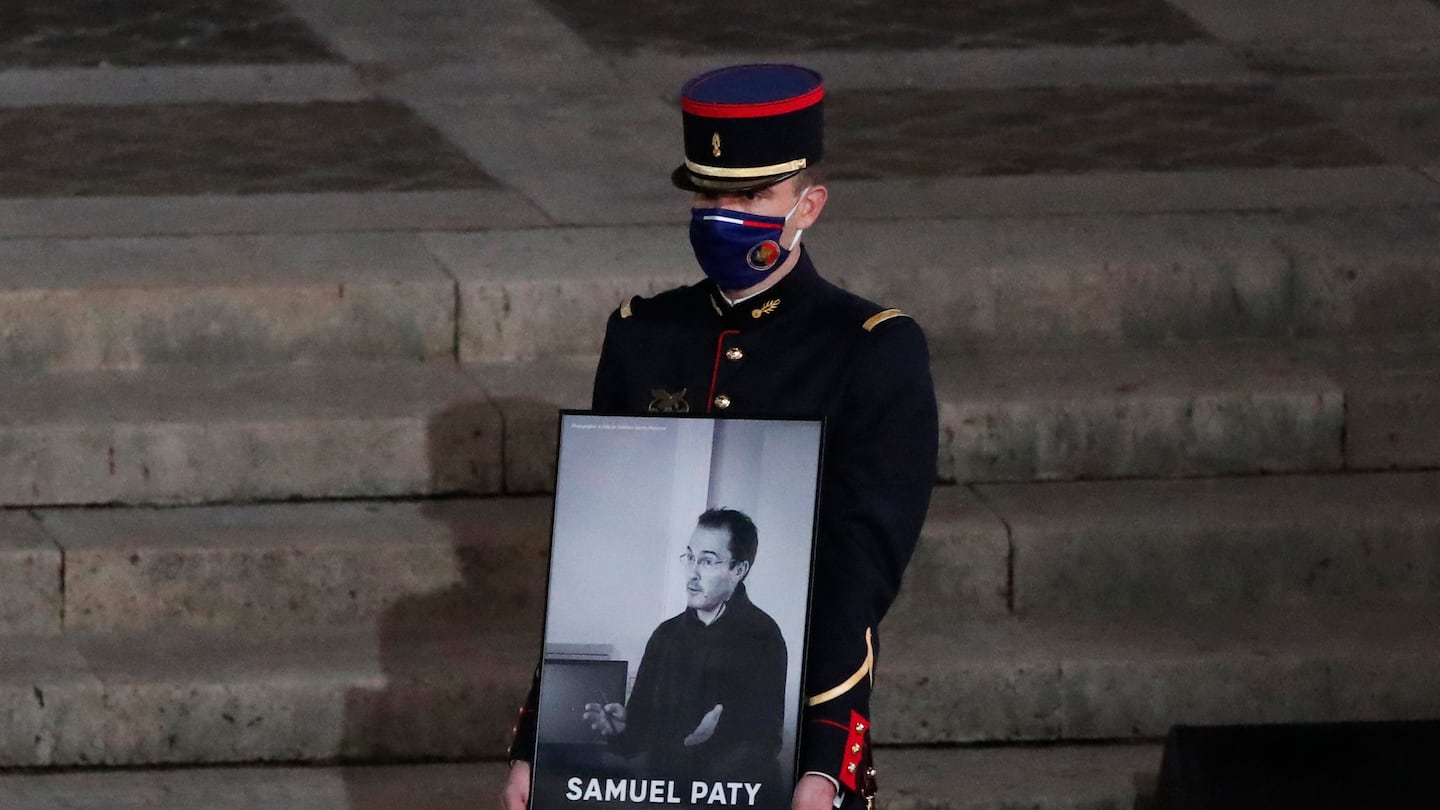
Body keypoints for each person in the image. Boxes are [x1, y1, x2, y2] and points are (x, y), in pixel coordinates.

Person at [505, 63, 938, 810]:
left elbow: (856, 570)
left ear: (808, 205)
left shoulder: (869, 349)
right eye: (711, 193)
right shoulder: (644, 336)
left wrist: (826, 760)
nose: (724, 212)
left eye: (753, 195)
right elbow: (578, 544)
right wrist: (534, 748)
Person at [581, 508, 786, 786]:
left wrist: (708, 739)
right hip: (661, 794)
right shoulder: (665, 635)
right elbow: (638, 736)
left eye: (707, 561)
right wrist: (622, 730)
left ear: (738, 570)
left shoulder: (763, 636)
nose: (692, 573)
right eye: (690, 558)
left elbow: (766, 742)